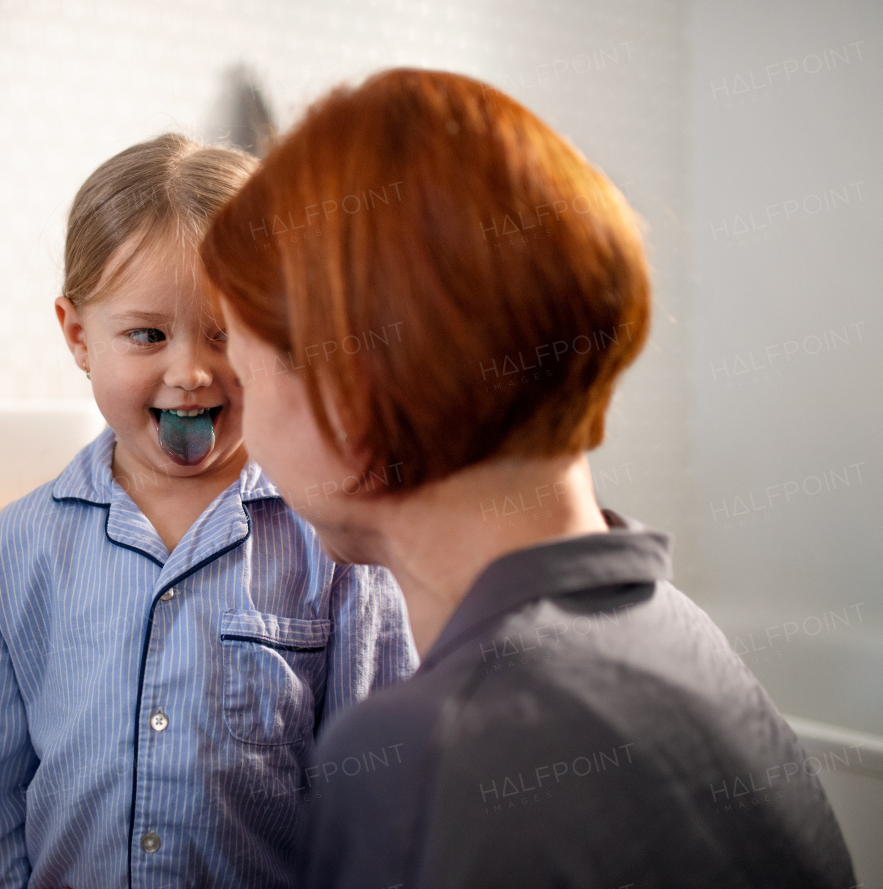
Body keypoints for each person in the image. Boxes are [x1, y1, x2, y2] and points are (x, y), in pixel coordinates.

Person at [199, 68, 857, 888]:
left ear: (350, 395)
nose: (244, 431)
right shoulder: (685, 638)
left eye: (247, 373)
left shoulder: (421, 760)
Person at [0, 133, 417, 889]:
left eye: (227, 334)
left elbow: (382, 807)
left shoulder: (339, 542)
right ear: (77, 335)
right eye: (148, 334)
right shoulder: (18, 547)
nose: (190, 371)